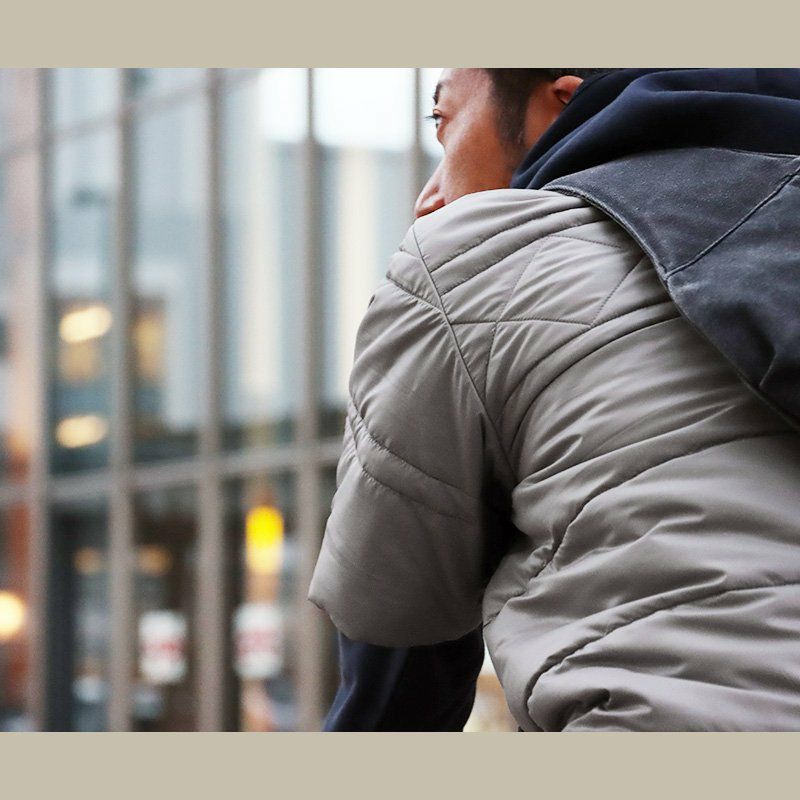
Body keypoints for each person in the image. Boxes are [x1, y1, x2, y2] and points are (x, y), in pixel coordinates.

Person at [308, 68, 800, 731]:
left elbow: (396, 642)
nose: (430, 197)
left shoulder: (480, 259)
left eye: (445, 122)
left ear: (561, 102)